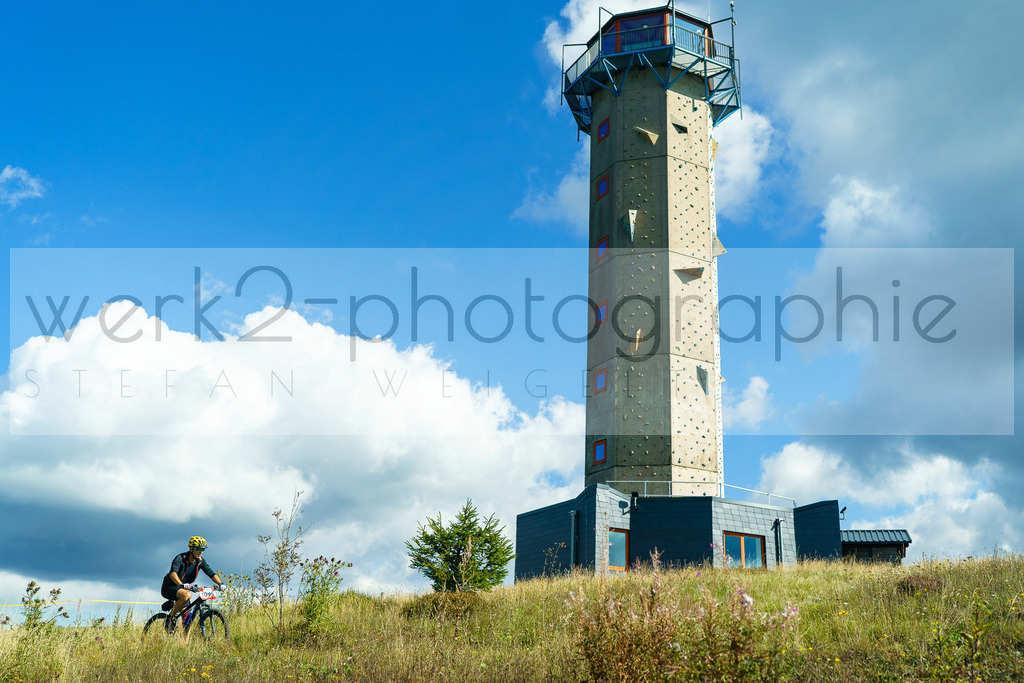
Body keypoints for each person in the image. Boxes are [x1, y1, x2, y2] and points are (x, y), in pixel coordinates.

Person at [161, 536, 225, 632]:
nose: (201, 552)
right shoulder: (180, 558)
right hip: (169, 587)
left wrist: (220, 583)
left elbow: (211, 573)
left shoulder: (200, 561)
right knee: (187, 595)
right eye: (198, 549)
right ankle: (169, 619)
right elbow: (173, 573)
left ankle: (184, 644)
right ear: (191, 548)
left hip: (183, 589)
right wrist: (181, 584)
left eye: (203, 549)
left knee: (188, 618)